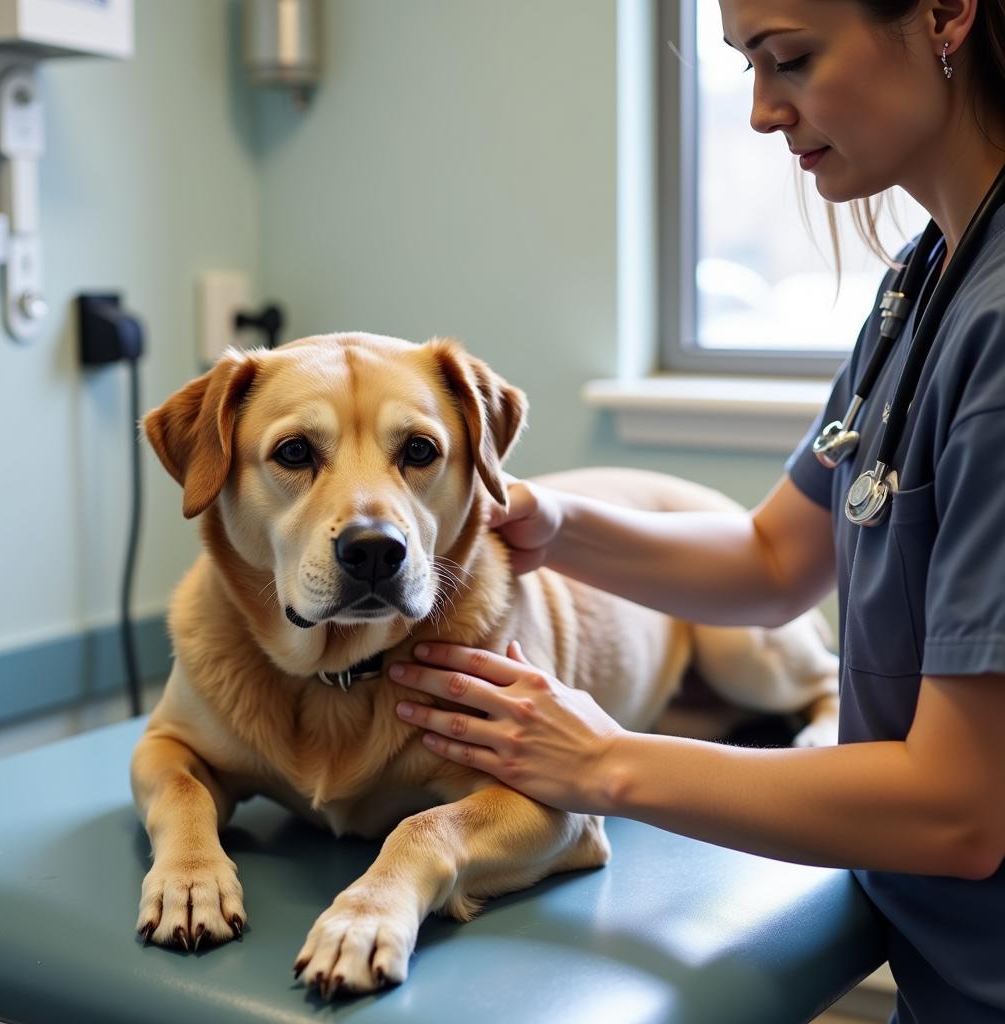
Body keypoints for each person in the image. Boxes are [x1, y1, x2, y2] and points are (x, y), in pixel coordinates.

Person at [387, 1, 1005, 1020]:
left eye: (790, 59)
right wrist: (550, 522)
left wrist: (601, 763)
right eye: (746, 68)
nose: (763, 111)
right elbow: (770, 561)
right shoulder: (923, 278)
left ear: (942, 14)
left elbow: (956, 809)